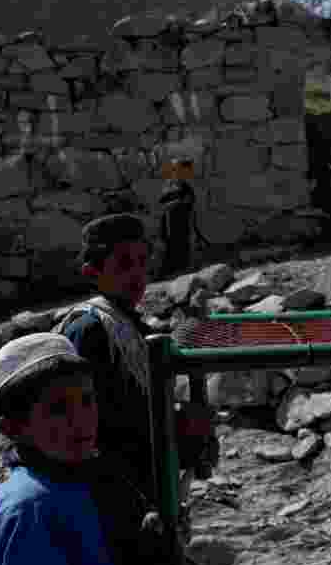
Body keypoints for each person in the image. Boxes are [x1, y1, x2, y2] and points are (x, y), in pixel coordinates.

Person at [0, 333, 200, 565]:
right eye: (58, 409)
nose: (80, 420)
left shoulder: (92, 475)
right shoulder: (28, 506)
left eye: (87, 401)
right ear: (13, 428)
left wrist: (156, 542)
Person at [52, 213, 217, 537]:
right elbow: (101, 426)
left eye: (142, 262)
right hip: (114, 497)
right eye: (124, 264)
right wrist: (181, 431)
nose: (137, 274)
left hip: (142, 489)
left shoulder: (131, 325)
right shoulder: (90, 329)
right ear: (92, 272)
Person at [158, 168, 197, 279]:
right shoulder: (167, 186)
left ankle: (182, 270)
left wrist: (177, 203)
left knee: (182, 244)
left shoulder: (185, 186)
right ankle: (170, 271)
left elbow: (190, 200)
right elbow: (161, 201)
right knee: (170, 245)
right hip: (169, 219)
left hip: (181, 219)